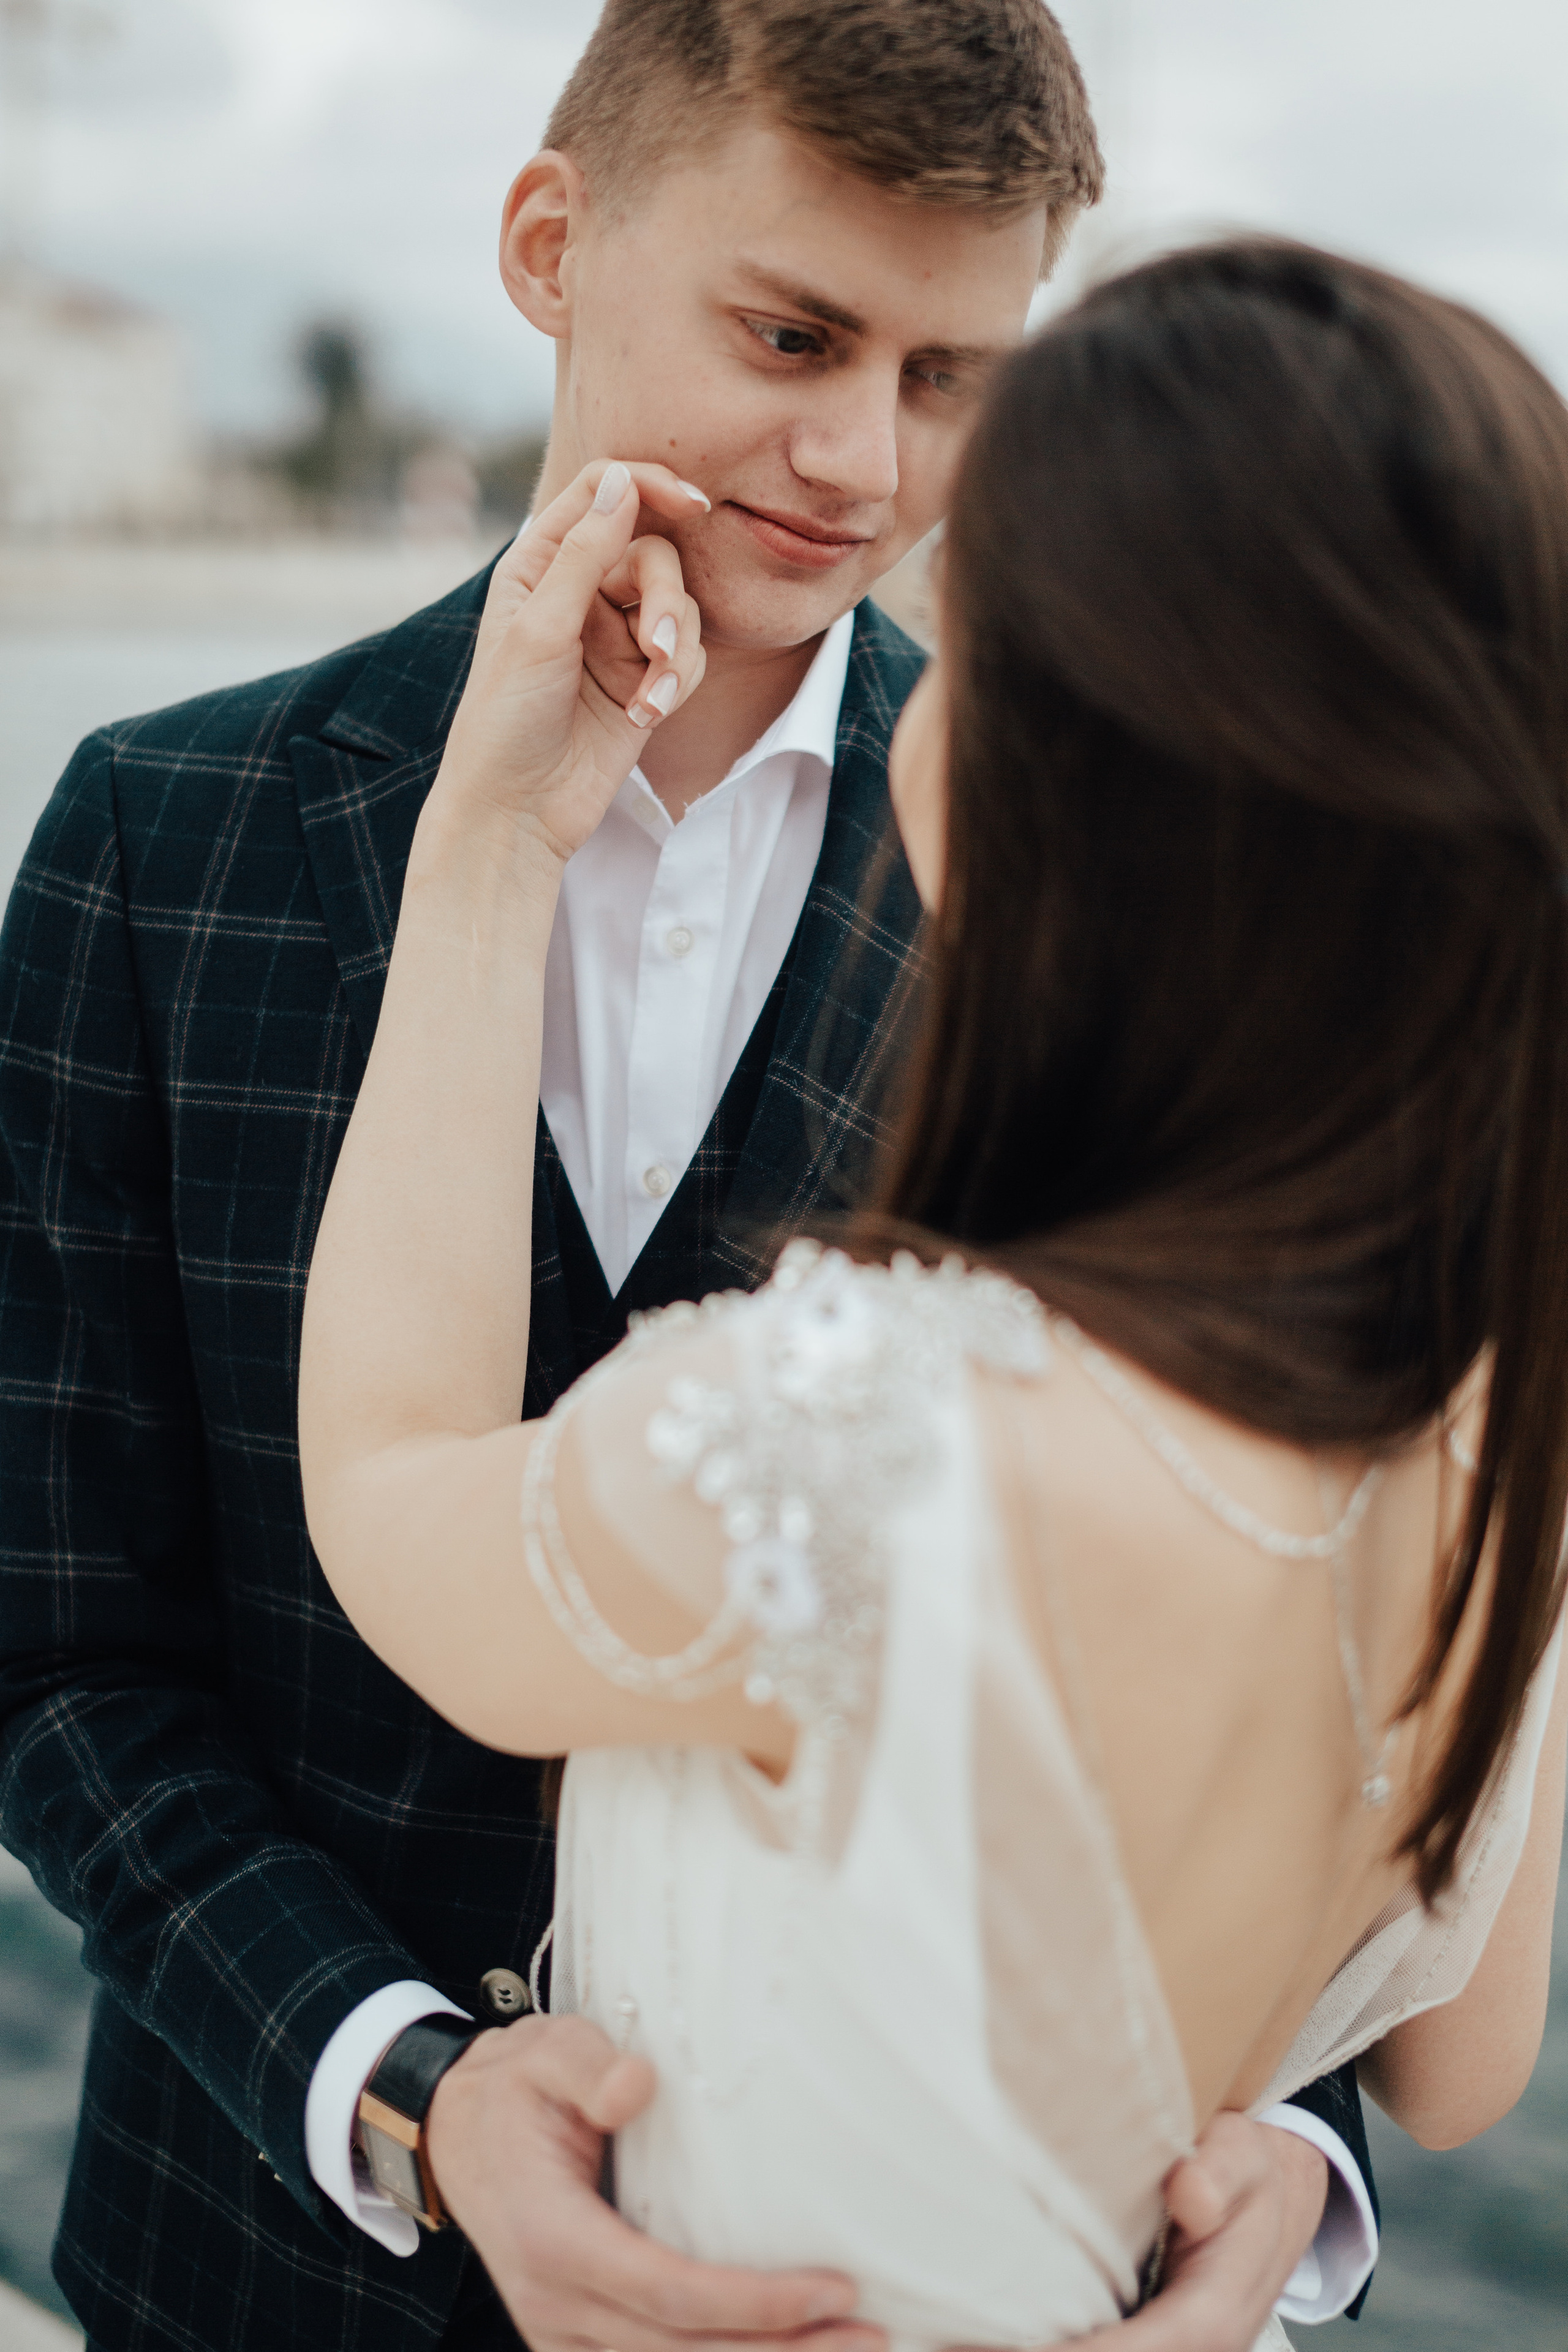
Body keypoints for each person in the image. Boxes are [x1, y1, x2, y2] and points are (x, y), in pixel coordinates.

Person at [0, 2, 1370, 2344]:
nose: (860, 458)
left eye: (955, 376)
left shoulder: (1126, 907)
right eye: (795, 331)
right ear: (551, 241)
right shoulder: (158, 836)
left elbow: (1288, 1611)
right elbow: (50, 1639)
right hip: (250, 2266)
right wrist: (403, 2085)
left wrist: (1299, 2158)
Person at [296, 237, 1568, 2352]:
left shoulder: (849, 1445)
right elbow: (1458, 2073)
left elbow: (394, 1476)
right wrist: (1263, 2145)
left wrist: (493, 848)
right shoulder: (1491, 1414)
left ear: (1082, 781)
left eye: (956, 651)